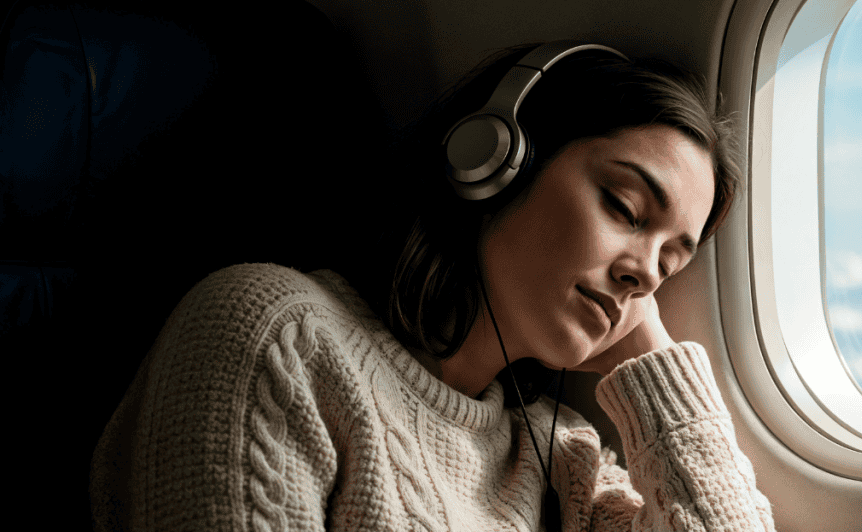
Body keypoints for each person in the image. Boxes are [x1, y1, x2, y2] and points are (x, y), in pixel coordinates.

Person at [90, 41, 775, 531]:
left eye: (670, 264)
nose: (643, 274)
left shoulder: (563, 455)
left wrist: (648, 360)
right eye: (625, 209)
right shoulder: (276, 339)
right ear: (495, 159)